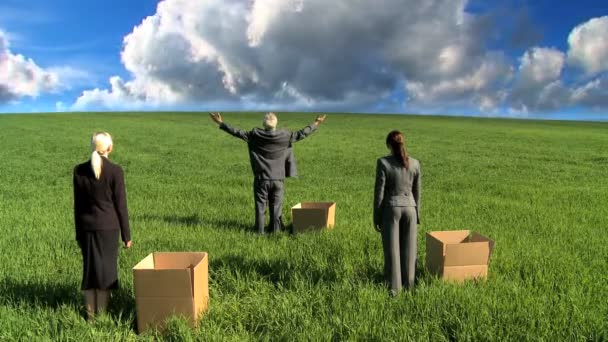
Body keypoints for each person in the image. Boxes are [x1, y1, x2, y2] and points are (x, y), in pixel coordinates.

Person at [210, 112, 326, 234]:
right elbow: (302, 134)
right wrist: (316, 123)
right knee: (276, 207)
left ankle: (259, 232)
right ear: (276, 124)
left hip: (261, 179)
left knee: (260, 207)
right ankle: (276, 231)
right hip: (278, 179)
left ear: (263, 124)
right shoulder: (285, 135)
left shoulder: (255, 135)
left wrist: (220, 122)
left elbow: (236, 132)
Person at [73, 132, 132, 319]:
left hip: (86, 229)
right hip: (109, 229)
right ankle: (102, 317)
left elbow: (78, 206)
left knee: (90, 274)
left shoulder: (78, 171)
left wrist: (78, 233)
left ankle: (90, 318)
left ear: (93, 147)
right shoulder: (116, 171)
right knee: (106, 273)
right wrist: (127, 236)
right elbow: (121, 206)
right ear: (110, 148)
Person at [373, 130, 421, 295]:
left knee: (392, 250)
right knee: (409, 249)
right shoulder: (415, 163)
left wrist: (377, 217)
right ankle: (410, 286)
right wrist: (417, 215)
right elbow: (417, 191)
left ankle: (394, 289)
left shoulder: (383, 163)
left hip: (391, 210)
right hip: (411, 209)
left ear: (389, 145)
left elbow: (379, 193)